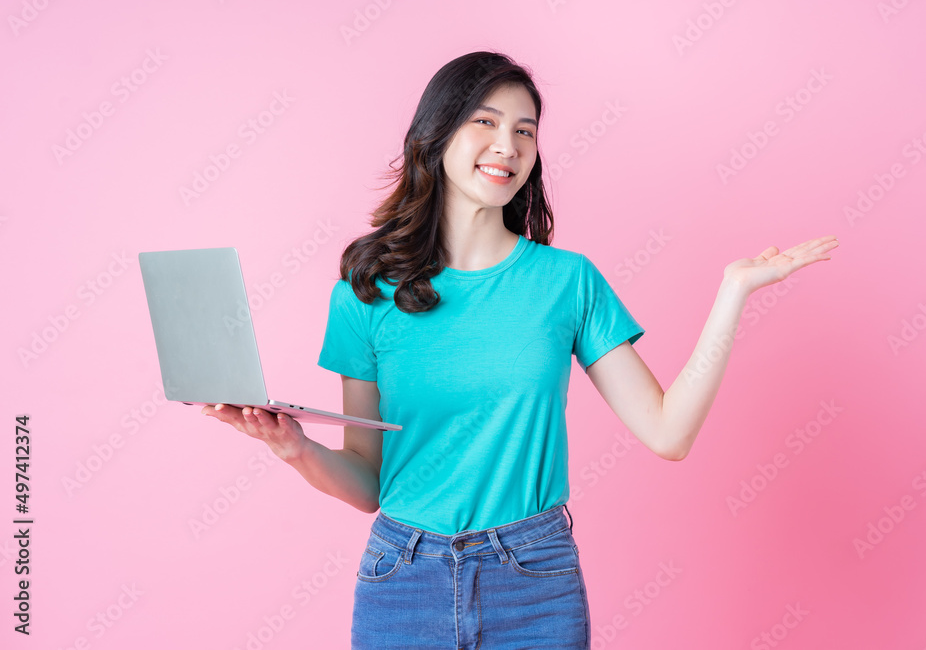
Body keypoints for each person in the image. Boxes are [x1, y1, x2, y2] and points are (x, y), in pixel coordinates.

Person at [202, 50, 838, 649]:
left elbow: (669, 432)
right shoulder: (366, 293)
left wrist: (734, 292)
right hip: (403, 577)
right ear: (437, 134)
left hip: (534, 579)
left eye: (526, 131)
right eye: (486, 122)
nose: (508, 146)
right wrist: (294, 447)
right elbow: (367, 482)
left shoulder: (567, 282)